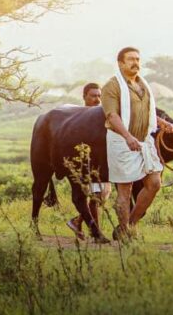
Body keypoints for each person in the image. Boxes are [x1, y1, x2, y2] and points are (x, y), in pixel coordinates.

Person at [101, 47, 173, 240]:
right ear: (120, 63)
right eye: (131, 59)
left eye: (138, 59)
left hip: (144, 141)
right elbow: (112, 115)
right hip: (122, 142)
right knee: (125, 190)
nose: (136, 63)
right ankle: (126, 232)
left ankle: (128, 227)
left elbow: (146, 111)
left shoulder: (143, 84)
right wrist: (127, 136)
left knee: (155, 183)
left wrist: (162, 122)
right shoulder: (112, 86)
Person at [66, 83, 112, 241]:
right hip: (83, 164)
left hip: (99, 164)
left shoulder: (101, 116)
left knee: (100, 196)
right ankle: (95, 232)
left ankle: (77, 222)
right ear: (84, 97)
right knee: (96, 197)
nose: (97, 99)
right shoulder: (80, 118)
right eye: (93, 96)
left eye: (99, 96)